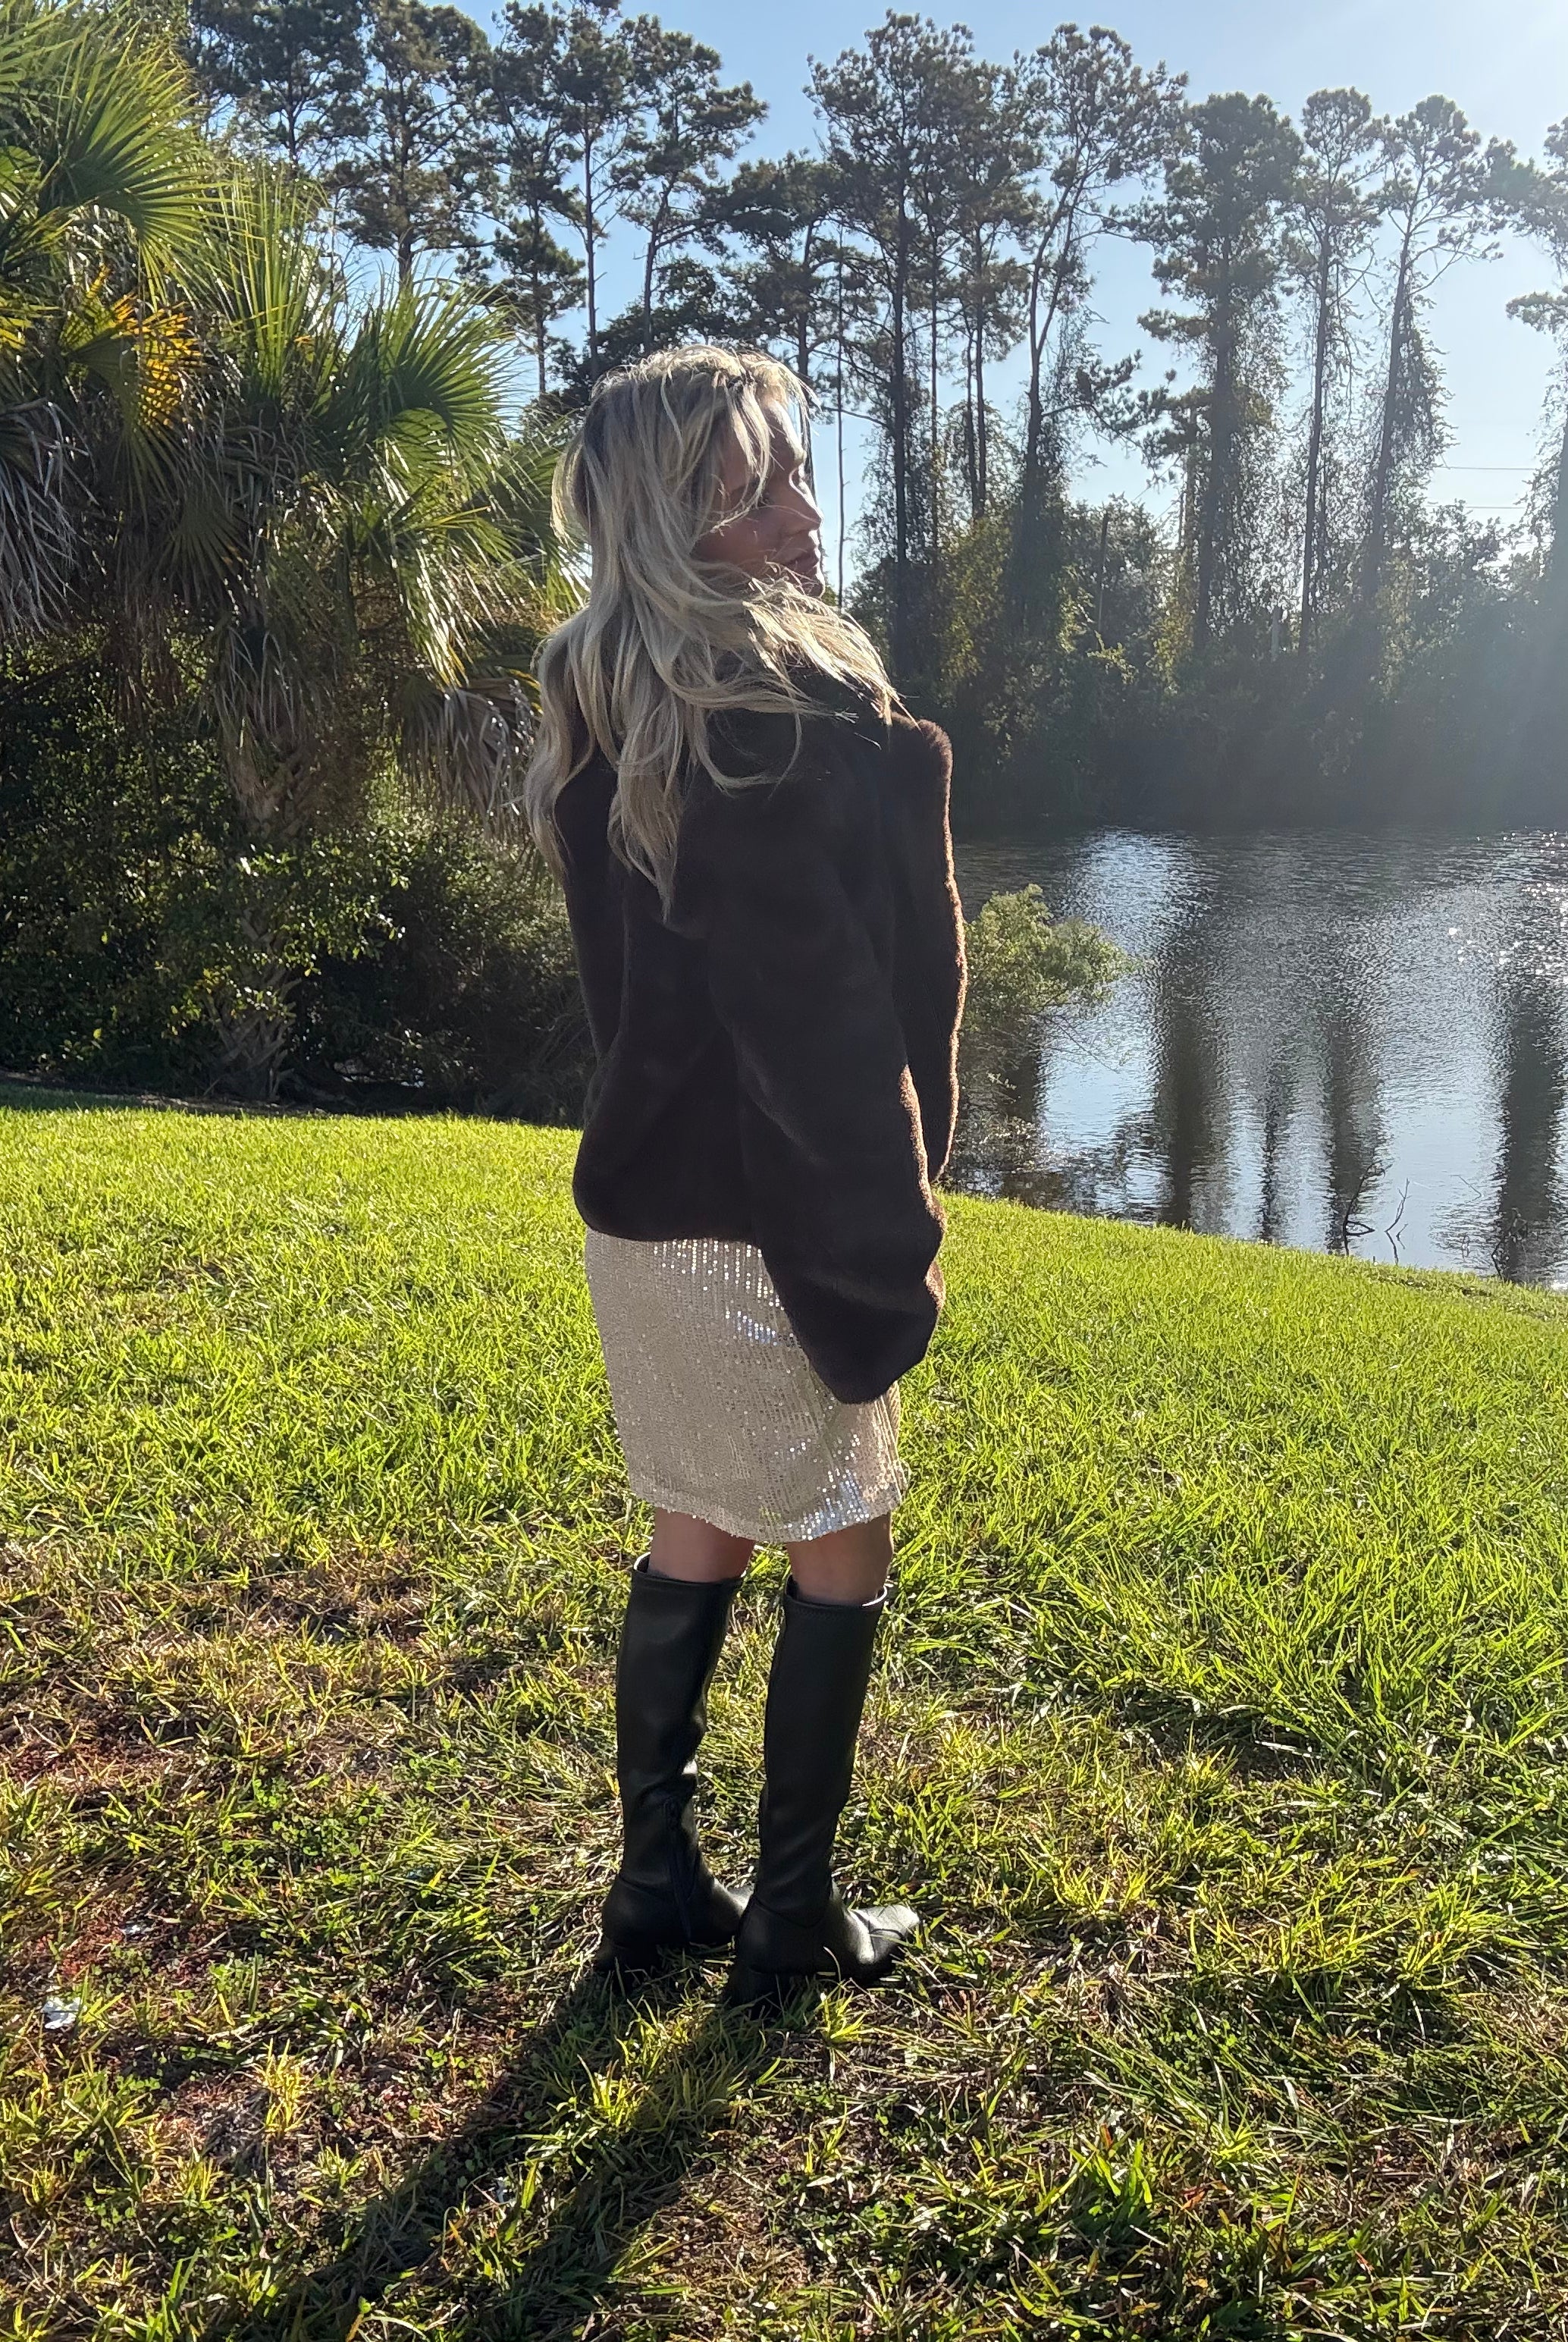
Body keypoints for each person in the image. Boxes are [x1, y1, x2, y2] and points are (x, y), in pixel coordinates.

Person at [525, 344, 965, 2005]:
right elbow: (819, 1032)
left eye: (792, 473)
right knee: (843, 1536)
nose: (801, 512)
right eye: (754, 487)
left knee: (697, 1520)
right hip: (777, 1212)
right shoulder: (769, 726)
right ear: (674, 520)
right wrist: (877, 1248)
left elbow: (644, 1004)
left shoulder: (623, 712)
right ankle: (789, 1915)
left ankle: (655, 1884)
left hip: (652, 1212)